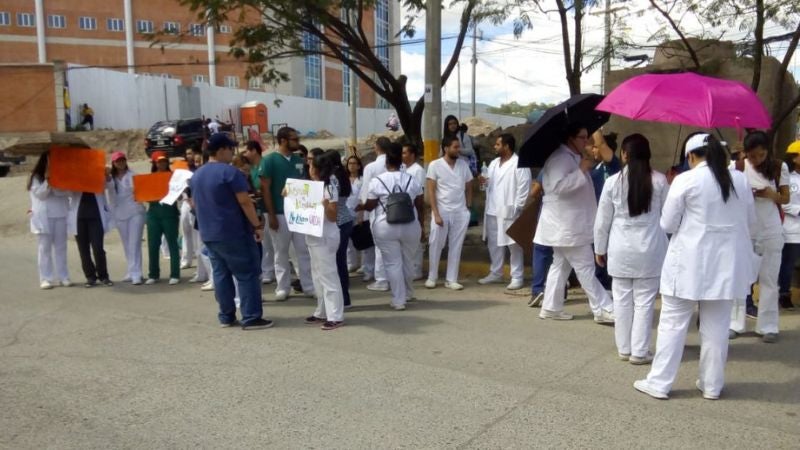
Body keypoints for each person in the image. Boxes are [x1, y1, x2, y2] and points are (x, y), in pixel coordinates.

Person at [634, 133, 755, 401]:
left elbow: (667, 224)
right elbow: (749, 221)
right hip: (726, 268)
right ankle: (712, 385)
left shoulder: (686, 180)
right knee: (716, 328)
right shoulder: (740, 180)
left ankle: (659, 383)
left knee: (673, 324)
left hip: (688, 266)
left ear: (691, 156)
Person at [594, 134, 668, 364]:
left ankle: (624, 349)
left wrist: (599, 248)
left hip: (620, 247)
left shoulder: (612, 182)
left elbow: (602, 220)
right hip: (650, 247)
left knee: (622, 300)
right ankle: (639, 351)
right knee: (645, 301)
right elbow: (669, 216)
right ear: (648, 154)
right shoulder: (659, 181)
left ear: (624, 155)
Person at [534, 122, 614, 323]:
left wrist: (582, 166)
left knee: (560, 265)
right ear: (570, 138)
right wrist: (581, 170)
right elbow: (557, 187)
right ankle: (602, 308)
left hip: (568, 225)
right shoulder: (560, 159)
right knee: (585, 265)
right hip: (566, 225)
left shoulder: (572, 158)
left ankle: (551, 306)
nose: (586, 141)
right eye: (582, 137)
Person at [191, 133, 273, 330]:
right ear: (221, 150)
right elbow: (244, 201)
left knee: (221, 274)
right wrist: (257, 225)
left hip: (209, 232)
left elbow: (195, 203)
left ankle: (226, 316)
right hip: (233, 231)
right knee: (247, 273)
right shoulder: (230, 173)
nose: (233, 153)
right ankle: (251, 316)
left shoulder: (197, 174)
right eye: (230, 149)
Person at [729, 130, 790, 343]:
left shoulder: (778, 167)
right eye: (752, 156)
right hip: (745, 229)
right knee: (740, 278)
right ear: (745, 152)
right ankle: (735, 322)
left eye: (760, 155)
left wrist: (770, 194)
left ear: (767, 152)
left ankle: (768, 325)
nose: (756, 160)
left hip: (771, 228)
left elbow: (785, 198)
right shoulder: (737, 166)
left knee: (769, 279)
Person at [364, 142, 424, 310]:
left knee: (392, 263)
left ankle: (399, 300)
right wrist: (422, 226)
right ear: (401, 162)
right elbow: (419, 204)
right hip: (411, 225)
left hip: (385, 225)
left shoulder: (377, 181)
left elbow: (370, 205)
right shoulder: (412, 179)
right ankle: (409, 293)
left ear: (386, 162)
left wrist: (362, 206)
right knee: (408, 261)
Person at [260, 126, 314, 301]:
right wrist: (272, 215)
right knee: (281, 252)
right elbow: (265, 189)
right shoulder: (269, 160)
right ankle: (283, 287)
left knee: (303, 250)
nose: (298, 142)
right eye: (294, 139)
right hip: (280, 213)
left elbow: (305, 184)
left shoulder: (298, 159)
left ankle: (308, 285)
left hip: (299, 212)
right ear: (283, 140)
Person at [478, 133, 531, 290]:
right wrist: (484, 181)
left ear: (507, 146)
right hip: (493, 209)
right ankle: (496, 272)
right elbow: (490, 184)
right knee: (494, 243)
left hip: (510, 209)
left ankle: (517, 276)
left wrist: (518, 207)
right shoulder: (494, 163)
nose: (495, 146)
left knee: (513, 244)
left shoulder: (519, 163)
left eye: (498, 144)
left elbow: (524, 187)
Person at [304, 151, 347, 329]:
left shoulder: (330, 187)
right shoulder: (310, 187)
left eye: (312, 165)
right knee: (317, 275)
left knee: (328, 275)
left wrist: (325, 205)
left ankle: (335, 314)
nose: (309, 168)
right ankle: (321, 311)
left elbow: (332, 216)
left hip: (325, 236)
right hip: (312, 235)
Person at [425, 135, 474, 290]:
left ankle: (451, 278)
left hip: (460, 211)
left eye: (458, 147)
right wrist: (436, 213)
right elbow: (431, 191)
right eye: (455, 147)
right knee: (435, 243)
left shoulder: (463, 165)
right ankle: (432, 277)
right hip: (442, 210)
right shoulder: (435, 165)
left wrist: (468, 206)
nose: (458, 150)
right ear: (446, 148)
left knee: (456, 245)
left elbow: (469, 184)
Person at [28, 152, 72, 289]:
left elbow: (65, 192)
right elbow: (41, 195)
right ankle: (45, 278)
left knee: (61, 248)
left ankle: (63, 276)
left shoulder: (63, 174)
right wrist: (48, 180)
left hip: (60, 214)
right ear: (45, 162)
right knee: (44, 248)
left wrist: (55, 181)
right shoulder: (36, 177)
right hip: (43, 217)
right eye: (50, 161)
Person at [108, 151, 146, 285]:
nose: (121, 163)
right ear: (113, 163)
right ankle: (131, 270)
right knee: (126, 244)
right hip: (119, 214)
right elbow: (104, 187)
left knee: (134, 243)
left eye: (122, 160)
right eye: (118, 161)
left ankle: (137, 273)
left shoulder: (133, 175)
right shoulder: (110, 178)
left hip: (135, 212)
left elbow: (142, 190)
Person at [241, 140, 275, 285]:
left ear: (254, 150)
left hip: (269, 208)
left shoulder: (264, 165)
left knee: (273, 244)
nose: (245, 154)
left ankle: (270, 271)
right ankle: (267, 271)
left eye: (247, 151)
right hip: (259, 208)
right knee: (266, 243)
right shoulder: (253, 168)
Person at [359, 137, 391, 290]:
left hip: (378, 212)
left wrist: (363, 213)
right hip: (399, 211)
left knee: (380, 247)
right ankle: (393, 279)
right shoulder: (399, 166)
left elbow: (365, 194)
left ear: (376, 148)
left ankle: (382, 280)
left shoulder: (370, 168)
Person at [145, 151, 181, 285]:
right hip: (153, 213)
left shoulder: (173, 177)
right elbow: (144, 195)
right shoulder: (149, 178)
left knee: (172, 243)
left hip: (169, 213)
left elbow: (179, 194)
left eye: (164, 161)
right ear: (154, 163)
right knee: (153, 244)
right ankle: (153, 274)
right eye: (159, 161)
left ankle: (175, 274)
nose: (162, 163)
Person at [71, 178, 113, 287]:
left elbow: (109, 186)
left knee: (98, 247)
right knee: (83, 249)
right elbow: (67, 193)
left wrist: (107, 177)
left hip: (96, 216)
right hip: (79, 218)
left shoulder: (96, 173)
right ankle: (90, 276)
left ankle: (103, 276)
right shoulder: (75, 175)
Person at [778, 142, 800, 311]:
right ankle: (784, 294)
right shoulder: (789, 179)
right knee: (788, 263)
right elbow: (784, 204)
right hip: (792, 230)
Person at [402, 143, 426, 280]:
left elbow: (419, 195)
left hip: (414, 208)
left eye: (405, 153)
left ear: (412, 155)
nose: (402, 155)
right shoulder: (403, 169)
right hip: (403, 209)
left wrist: (421, 219)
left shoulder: (418, 170)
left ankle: (417, 270)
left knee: (416, 243)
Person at [345, 154, 364, 272]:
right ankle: (351, 263)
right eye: (349, 163)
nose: (351, 166)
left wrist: (361, 214)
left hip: (359, 211)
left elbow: (363, 197)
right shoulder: (344, 179)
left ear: (358, 166)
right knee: (348, 240)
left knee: (361, 238)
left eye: (354, 163)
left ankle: (363, 264)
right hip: (346, 212)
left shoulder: (362, 180)